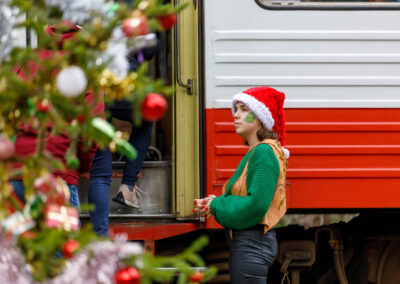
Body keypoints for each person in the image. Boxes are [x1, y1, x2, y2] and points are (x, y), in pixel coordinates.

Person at [194, 86, 290, 283]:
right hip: (250, 244)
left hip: (251, 244)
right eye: (236, 109)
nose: (236, 115)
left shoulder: (263, 152)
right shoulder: (259, 151)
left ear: (260, 118)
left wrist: (217, 205)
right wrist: (217, 201)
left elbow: (256, 205)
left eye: (244, 109)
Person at [11, 23, 97, 210]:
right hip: (59, 171)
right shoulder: (83, 73)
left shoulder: (24, 63)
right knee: (63, 238)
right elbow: (91, 132)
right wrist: (80, 165)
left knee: (22, 237)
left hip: (18, 171)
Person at [89, 44, 158, 237]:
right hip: (127, 86)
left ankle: (97, 232)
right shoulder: (139, 17)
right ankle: (127, 185)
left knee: (100, 173)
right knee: (145, 123)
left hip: (100, 88)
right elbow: (151, 48)